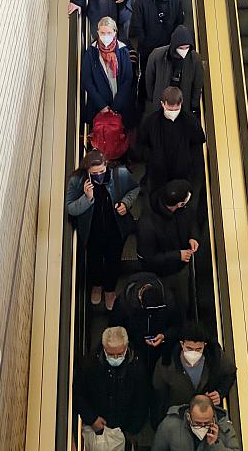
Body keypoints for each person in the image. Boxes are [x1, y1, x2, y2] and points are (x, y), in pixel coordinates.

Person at [66, 149, 140, 310]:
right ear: (87, 170)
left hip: (116, 229)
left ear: (106, 165)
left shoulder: (120, 174)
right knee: (94, 261)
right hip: (92, 231)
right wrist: (87, 198)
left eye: (102, 171)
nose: (99, 175)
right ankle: (97, 286)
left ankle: (109, 290)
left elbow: (134, 189)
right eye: (94, 173)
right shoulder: (77, 181)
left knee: (113, 261)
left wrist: (126, 204)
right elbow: (71, 208)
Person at [74, 327, 151, 449]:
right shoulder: (89, 365)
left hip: (125, 428)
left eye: (119, 354)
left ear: (126, 347)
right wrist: (92, 418)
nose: (115, 358)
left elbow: (142, 400)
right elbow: (79, 393)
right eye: (110, 354)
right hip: (97, 424)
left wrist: (131, 430)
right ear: (104, 348)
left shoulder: (137, 367)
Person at [152, 323, 237, 429]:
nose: (193, 353)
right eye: (189, 348)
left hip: (205, 419)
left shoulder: (215, 357)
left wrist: (220, 392)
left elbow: (230, 372)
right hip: (178, 419)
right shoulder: (166, 364)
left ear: (204, 346)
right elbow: (159, 394)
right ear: (182, 344)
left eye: (198, 349)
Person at [137, 179, 199, 315]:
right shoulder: (147, 225)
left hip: (180, 265)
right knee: (168, 301)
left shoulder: (183, 209)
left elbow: (192, 219)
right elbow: (148, 258)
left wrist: (193, 236)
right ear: (179, 204)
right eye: (186, 201)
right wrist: (178, 255)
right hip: (161, 272)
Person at [136, 87, 206, 196]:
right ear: (162, 104)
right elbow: (142, 143)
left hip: (182, 172)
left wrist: (191, 164)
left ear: (181, 104)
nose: (173, 112)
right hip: (159, 172)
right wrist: (151, 159)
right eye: (170, 109)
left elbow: (197, 146)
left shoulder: (191, 122)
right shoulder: (151, 122)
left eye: (176, 109)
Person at [131, 0, 185, 109]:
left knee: (166, 76)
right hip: (148, 48)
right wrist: (143, 45)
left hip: (168, 48)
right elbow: (137, 26)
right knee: (145, 76)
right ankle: (142, 103)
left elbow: (179, 23)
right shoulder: (142, 0)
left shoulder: (176, 0)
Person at [109, 271, 183, 373]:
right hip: (133, 350)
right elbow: (114, 330)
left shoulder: (170, 300)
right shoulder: (123, 304)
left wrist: (165, 336)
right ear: (140, 298)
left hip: (162, 352)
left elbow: (179, 326)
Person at [81, 17, 138, 128]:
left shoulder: (123, 51)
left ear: (115, 32)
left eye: (109, 33)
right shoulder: (91, 52)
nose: (105, 36)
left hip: (121, 106)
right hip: (98, 107)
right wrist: (102, 105)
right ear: (97, 32)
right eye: (102, 33)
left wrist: (116, 106)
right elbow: (87, 80)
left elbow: (128, 79)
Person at [145, 25, 204, 114]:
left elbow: (197, 84)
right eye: (181, 48)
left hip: (183, 103)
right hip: (162, 102)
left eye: (187, 48)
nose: (184, 51)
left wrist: (194, 105)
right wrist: (153, 98)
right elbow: (149, 78)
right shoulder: (157, 55)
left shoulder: (195, 59)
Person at [152, 394, 240, 450]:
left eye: (207, 423)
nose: (202, 427)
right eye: (198, 423)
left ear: (213, 417)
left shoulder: (224, 427)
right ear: (188, 417)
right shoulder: (170, 425)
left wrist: (215, 444)